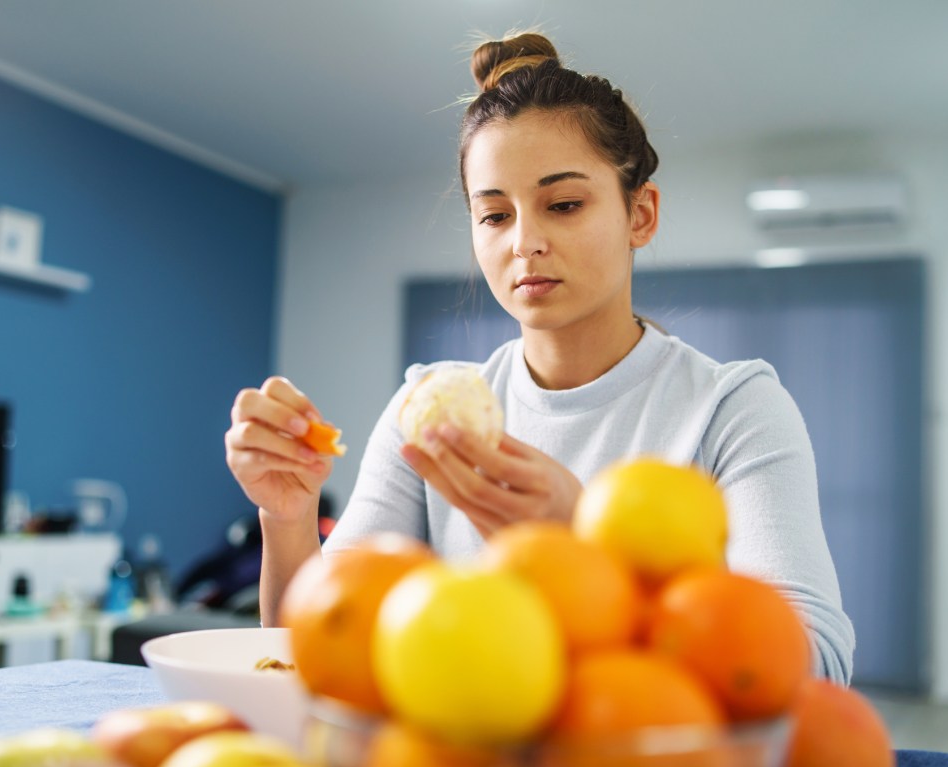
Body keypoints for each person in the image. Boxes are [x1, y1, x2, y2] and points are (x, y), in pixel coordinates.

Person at [224, 32, 855, 683]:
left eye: (564, 205)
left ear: (640, 215)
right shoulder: (425, 413)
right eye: (494, 216)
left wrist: (587, 550)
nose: (525, 243)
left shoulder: (732, 411)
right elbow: (320, 652)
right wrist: (288, 518)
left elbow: (816, 668)